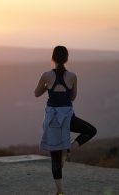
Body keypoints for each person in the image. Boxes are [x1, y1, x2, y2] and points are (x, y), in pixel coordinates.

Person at [34, 45, 97, 195]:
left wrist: (47, 87)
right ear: (67, 59)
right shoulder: (73, 76)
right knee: (91, 130)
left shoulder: (46, 75)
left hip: (52, 119)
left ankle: (60, 192)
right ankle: (70, 148)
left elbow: (36, 93)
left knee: (55, 156)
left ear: (53, 58)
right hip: (68, 117)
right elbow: (73, 97)